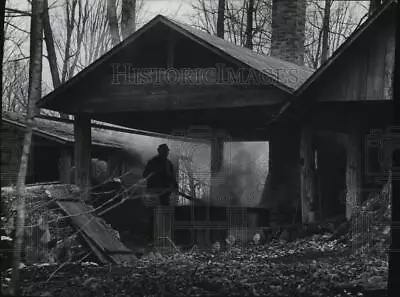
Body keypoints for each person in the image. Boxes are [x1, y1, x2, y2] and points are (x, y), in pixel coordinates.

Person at [143, 144, 178, 243]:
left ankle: (164, 236)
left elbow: (172, 178)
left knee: (165, 214)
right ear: (159, 151)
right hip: (154, 192)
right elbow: (145, 175)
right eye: (164, 151)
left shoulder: (168, 163)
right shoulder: (152, 162)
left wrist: (175, 186)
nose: (166, 153)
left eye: (167, 151)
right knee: (152, 215)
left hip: (164, 193)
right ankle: (150, 237)